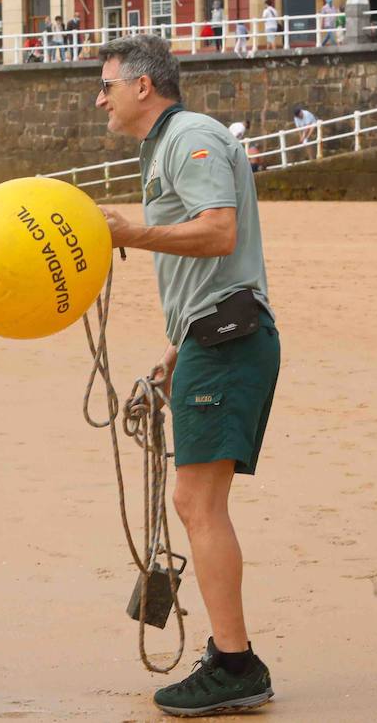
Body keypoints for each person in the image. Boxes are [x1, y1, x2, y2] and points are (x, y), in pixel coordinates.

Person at [95, 35, 279, 717]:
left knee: (199, 505)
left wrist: (128, 233)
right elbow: (216, 262)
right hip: (214, 336)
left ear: (144, 86)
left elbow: (219, 232)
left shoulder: (190, 137)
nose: (100, 97)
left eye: (107, 83)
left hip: (230, 338)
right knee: (192, 502)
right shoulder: (167, 146)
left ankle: (236, 664)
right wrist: (176, 353)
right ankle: (231, 655)